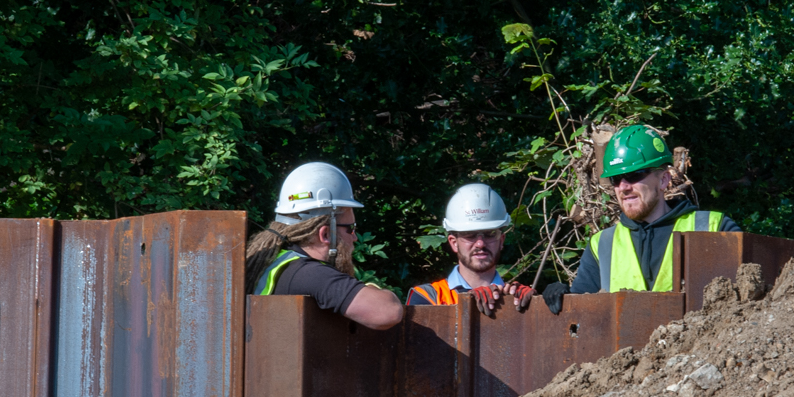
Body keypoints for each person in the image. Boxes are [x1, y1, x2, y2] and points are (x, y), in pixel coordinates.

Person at [563, 125, 741, 296]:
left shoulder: (715, 228)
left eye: (634, 175)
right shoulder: (602, 245)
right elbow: (581, 314)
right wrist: (563, 296)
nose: (623, 187)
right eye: (616, 179)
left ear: (664, 180)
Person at [247, 162, 403, 330]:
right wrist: (372, 287)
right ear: (325, 234)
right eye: (351, 229)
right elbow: (387, 312)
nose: (355, 237)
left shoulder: (277, 262)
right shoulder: (308, 273)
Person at [407, 184, 534, 316]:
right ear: (453, 243)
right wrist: (468, 302)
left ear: (501, 240)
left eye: (490, 233)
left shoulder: (518, 297)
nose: (480, 243)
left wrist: (541, 307)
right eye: (469, 235)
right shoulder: (428, 297)